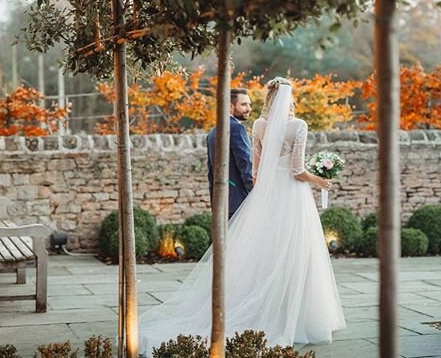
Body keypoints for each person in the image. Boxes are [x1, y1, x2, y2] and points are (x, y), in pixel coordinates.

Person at [140, 77, 346, 355]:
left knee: (265, 254)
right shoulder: (298, 126)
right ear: (289, 97)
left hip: (267, 195)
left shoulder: (259, 126)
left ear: (268, 97)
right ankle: (298, 319)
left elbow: (255, 171)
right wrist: (320, 180)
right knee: (297, 252)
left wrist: (262, 196)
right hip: (292, 196)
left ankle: (261, 306)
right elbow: (297, 170)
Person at [206, 88, 253, 219]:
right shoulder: (237, 128)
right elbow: (245, 164)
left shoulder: (213, 132)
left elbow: (211, 173)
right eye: (243, 104)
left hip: (221, 202)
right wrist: (254, 193)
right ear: (230, 106)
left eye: (249, 104)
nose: (248, 108)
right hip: (239, 200)